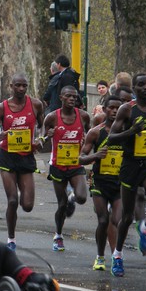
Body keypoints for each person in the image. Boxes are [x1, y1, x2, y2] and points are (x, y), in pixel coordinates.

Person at [108, 74, 146, 277]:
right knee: (126, 216)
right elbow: (111, 138)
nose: (145, 88)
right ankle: (117, 255)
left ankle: (144, 227)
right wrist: (131, 132)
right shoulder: (127, 109)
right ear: (134, 88)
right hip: (130, 165)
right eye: (141, 85)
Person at [0, 73, 44, 251]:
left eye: (24, 86)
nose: (21, 89)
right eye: (18, 85)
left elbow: (43, 127)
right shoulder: (3, 108)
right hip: (7, 156)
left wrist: (40, 140)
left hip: (26, 156)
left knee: (27, 206)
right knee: (12, 201)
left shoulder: (35, 104)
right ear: (11, 86)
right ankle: (11, 239)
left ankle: (21, 194)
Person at [42, 86, 90, 252]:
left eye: (74, 97)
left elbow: (90, 136)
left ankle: (73, 198)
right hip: (57, 165)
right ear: (61, 97)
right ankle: (58, 235)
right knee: (61, 205)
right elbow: (41, 140)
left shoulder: (83, 116)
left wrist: (85, 143)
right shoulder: (51, 117)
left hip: (76, 164)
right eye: (68, 96)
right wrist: (48, 135)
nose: (72, 99)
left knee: (82, 197)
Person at [81, 95, 123, 271]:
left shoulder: (127, 132)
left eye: (117, 108)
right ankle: (100, 256)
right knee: (103, 220)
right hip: (99, 182)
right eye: (111, 108)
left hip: (120, 184)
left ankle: (116, 256)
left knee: (116, 219)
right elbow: (81, 158)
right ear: (104, 109)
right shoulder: (96, 132)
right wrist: (95, 156)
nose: (114, 111)